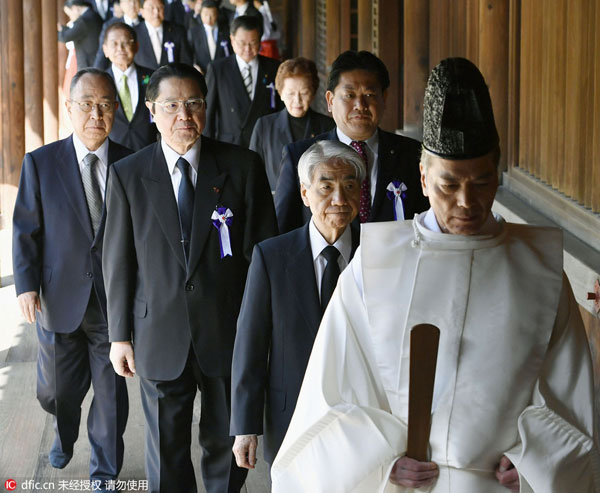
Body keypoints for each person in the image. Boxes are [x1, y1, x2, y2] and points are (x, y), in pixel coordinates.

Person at [271, 58, 600, 492]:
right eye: (449, 185)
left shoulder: (537, 268)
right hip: (406, 482)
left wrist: (535, 459)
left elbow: (569, 393)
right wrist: (382, 461)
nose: (466, 201)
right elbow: (333, 391)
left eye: (482, 183)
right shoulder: (376, 264)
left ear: (497, 174)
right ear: (424, 177)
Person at [102, 63, 277, 493]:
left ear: (206, 106)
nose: (185, 115)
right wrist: (118, 335)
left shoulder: (242, 166)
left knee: (226, 446)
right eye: (172, 105)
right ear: (151, 111)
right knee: (166, 451)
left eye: (194, 103)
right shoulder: (128, 174)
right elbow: (117, 258)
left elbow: (263, 255)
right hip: (158, 331)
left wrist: (262, 333)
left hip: (226, 332)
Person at [12, 68, 131, 490]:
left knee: (112, 397)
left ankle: (104, 474)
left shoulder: (131, 163)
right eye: (86, 104)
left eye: (104, 105)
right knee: (56, 393)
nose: (95, 113)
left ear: (115, 109)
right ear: (69, 108)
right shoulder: (41, 163)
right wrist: (26, 285)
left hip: (113, 303)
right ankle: (64, 434)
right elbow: (26, 229)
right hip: (59, 297)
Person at [230, 141, 363, 471]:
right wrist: (245, 427)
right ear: (305, 194)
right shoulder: (272, 256)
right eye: (326, 187)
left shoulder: (377, 251)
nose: (339, 199)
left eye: (349, 186)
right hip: (292, 413)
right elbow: (251, 344)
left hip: (362, 414)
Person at [274, 50, 429, 234]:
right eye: (349, 95)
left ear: (384, 98)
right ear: (330, 101)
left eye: (370, 95)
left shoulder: (412, 154)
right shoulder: (299, 155)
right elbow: (283, 232)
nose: (360, 105)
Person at [249, 57, 334, 192]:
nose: (297, 100)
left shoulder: (328, 126)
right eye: (290, 94)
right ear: (280, 93)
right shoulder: (264, 126)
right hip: (276, 206)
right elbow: (252, 174)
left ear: (313, 93)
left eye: (304, 93)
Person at [204, 15, 282, 148]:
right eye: (242, 43)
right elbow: (208, 112)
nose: (247, 49)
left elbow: (281, 110)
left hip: (265, 143)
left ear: (260, 41)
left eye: (253, 42)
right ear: (232, 40)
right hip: (230, 144)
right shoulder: (218, 69)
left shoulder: (274, 67)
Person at [103, 22, 156, 150]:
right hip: (113, 153)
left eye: (126, 42)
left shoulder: (152, 77)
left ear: (136, 46)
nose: (120, 48)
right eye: (114, 44)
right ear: (105, 50)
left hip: (147, 150)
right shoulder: (100, 81)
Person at [133, 0, 192, 70]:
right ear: (142, 12)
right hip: (145, 79)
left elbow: (186, 61)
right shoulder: (134, 33)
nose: (156, 12)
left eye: (160, 8)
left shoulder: (178, 30)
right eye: (151, 8)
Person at [93, 0, 143, 70]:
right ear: (121, 4)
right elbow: (102, 55)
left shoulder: (148, 23)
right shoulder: (110, 25)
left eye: (135, 1)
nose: (132, 4)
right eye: (128, 1)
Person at [188, 0, 232, 74]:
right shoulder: (193, 32)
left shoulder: (226, 31)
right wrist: (194, 66)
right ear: (200, 14)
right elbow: (189, 54)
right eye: (205, 14)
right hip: (202, 73)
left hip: (223, 72)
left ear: (217, 14)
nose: (209, 19)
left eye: (212, 15)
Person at [58, 0, 104, 69]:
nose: (70, 17)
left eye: (70, 14)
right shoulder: (93, 14)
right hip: (94, 61)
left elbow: (65, 37)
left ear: (75, 8)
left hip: (88, 64)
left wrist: (58, 30)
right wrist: (63, 29)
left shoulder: (83, 21)